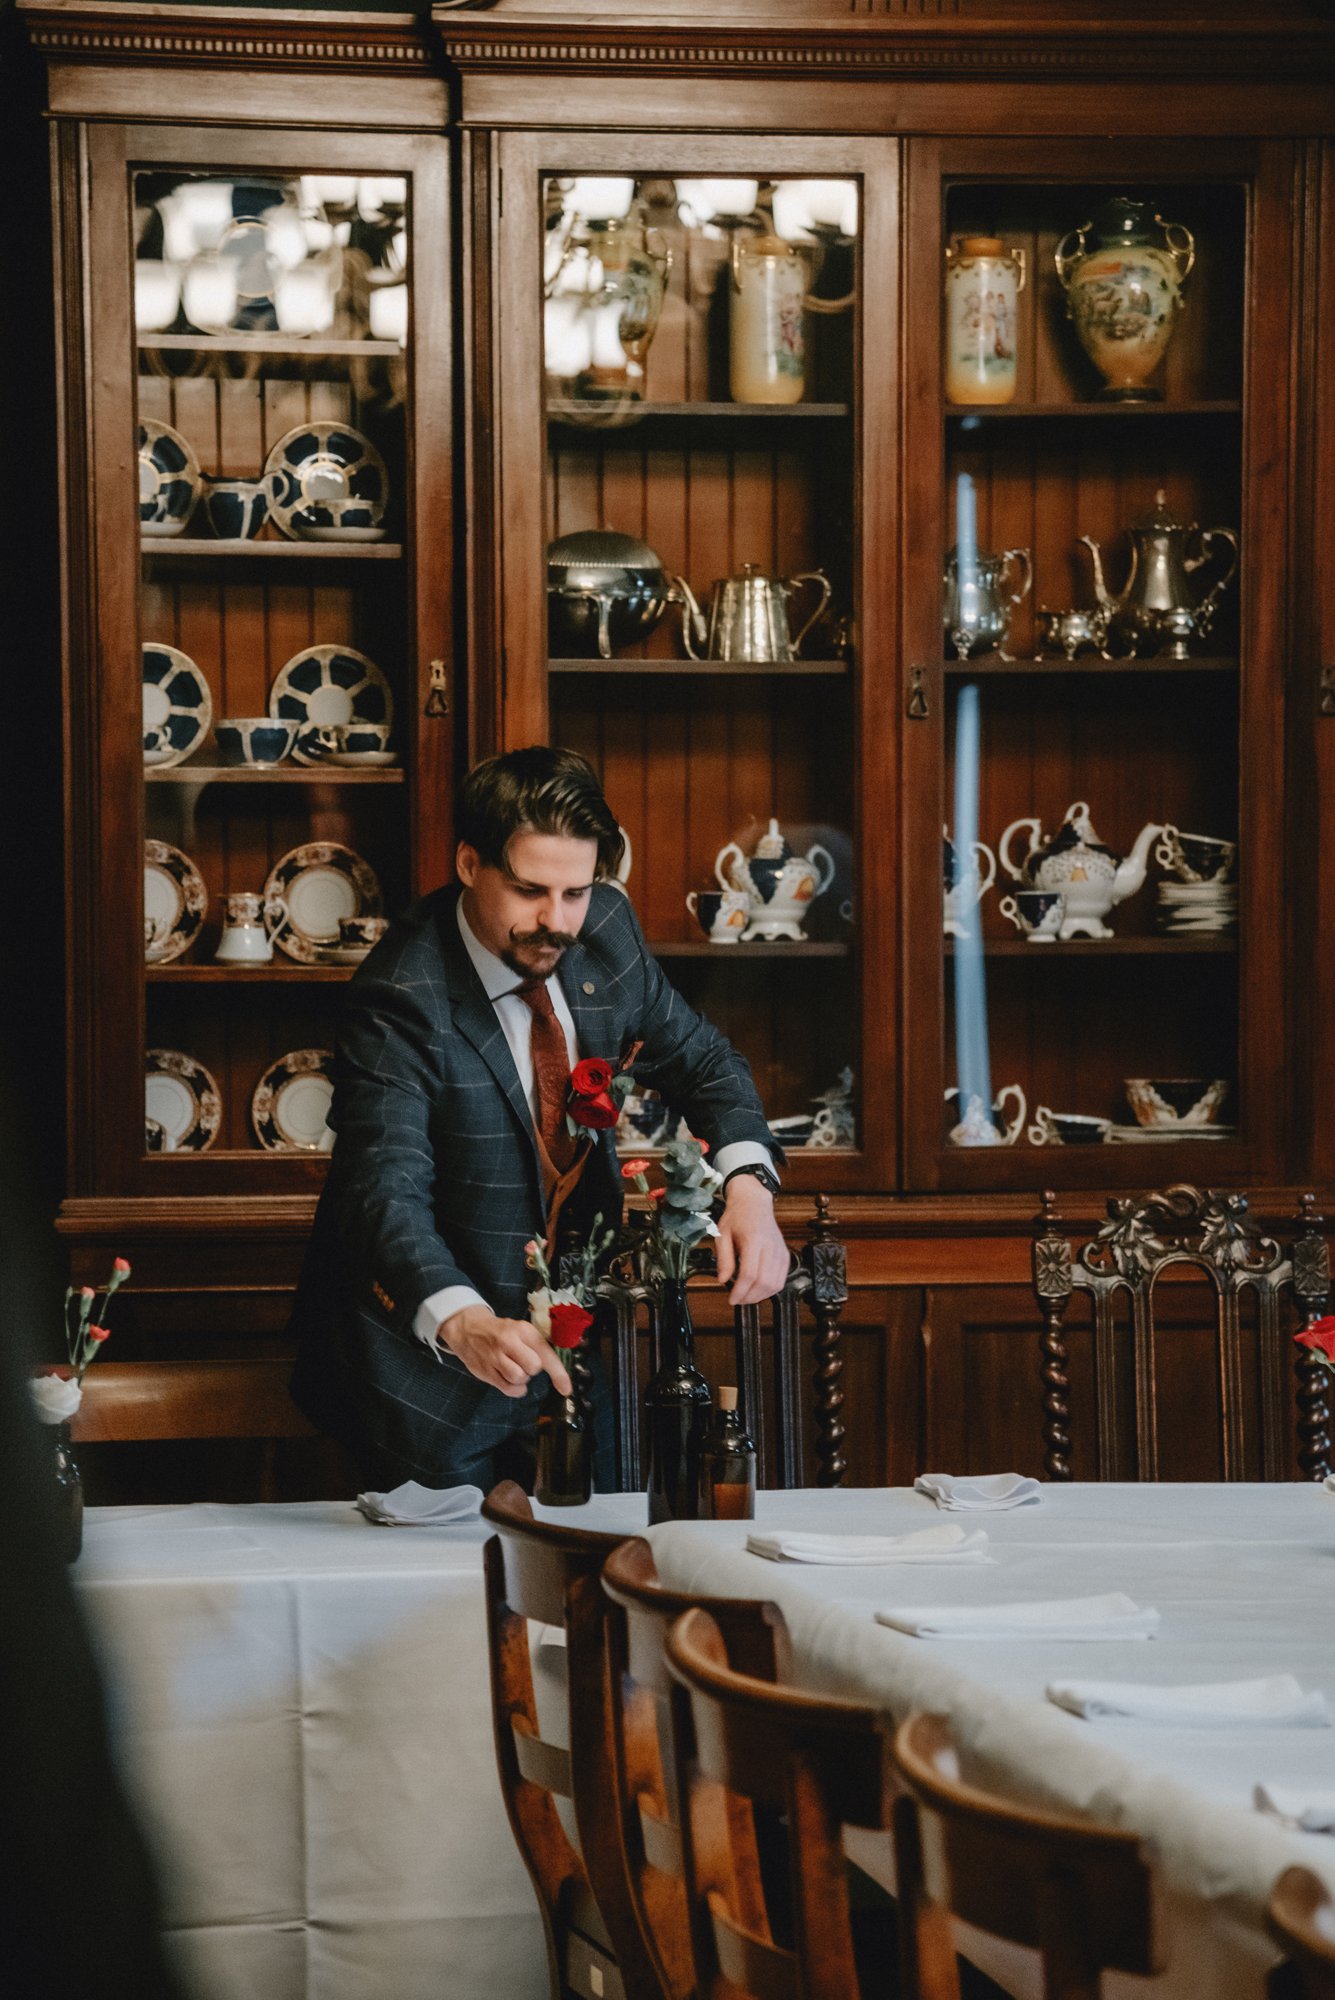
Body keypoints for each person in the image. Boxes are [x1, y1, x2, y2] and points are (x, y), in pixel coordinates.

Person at [290, 746, 789, 1490]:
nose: (555, 922)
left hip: (580, 1355)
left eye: (575, 892)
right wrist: (462, 1322)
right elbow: (384, 1192)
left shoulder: (605, 931)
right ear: (467, 864)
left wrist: (747, 1185)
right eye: (528, 891)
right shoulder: (401, 999)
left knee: (597, 1574)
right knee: (450, 1598)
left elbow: (705, 1063)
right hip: (425, 1381)